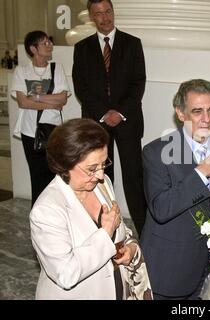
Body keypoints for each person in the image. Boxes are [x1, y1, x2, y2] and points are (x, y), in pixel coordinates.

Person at [140, 79, 210, 300]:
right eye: (197, 111)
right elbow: (161, 208)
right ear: (180, 113)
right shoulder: (156, 152)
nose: (206, 119)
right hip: (172, 268)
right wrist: (199, 174)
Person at [30, 118, 144, 299]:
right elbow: (66, 274)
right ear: (65, 165)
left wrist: (129, 247)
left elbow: (119, 227)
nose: (100, 174)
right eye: (92, 169)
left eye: (103, 164)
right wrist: (105, 233)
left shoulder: (102, 184)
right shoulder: (47, 210)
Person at [72, 0, 147, 236]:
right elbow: (81, 88)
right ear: (92, 17)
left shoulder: (133, 44)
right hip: (97, 124)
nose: (105, 18)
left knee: (133, 177)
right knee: (100, 178)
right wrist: (104, 114)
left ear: (113, 12)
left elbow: (138, 83)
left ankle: (145, 230)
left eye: (107, 12)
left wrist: (119, 112)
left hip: (127, 121)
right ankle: (105, 228)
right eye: (98, 14)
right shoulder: (82, 48)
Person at [10, 30, 69, 206]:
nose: (50, 45)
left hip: (54, 131)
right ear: (33, 48)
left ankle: (55, 215)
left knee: (55, 175)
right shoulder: (22, 71)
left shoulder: (56, 69)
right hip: (30, 130)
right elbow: (23, 102)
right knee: (37, 176)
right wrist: (51, 102)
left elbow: (63, 99)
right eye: (44, 43)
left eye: (49, 42)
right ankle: (38, 216)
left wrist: (35, 97)